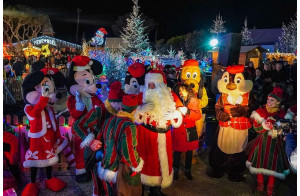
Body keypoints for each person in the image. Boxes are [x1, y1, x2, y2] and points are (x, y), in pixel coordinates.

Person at [134, 70, 184, 196]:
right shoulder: (142, 95)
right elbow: (130, 112)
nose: (150, 87)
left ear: (160, 85)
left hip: (165, 136)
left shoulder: (170, 95)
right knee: (147, 161)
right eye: (149, 84)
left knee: (160, 163)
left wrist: (175, 114)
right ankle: (142, 186)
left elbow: (180, 110)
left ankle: (155, 188)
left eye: (153, 84)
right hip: (146, 135)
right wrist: (140, 110)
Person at [97, 94, 144, 196]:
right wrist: (137, 165)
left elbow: (101, 139)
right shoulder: (129, 125)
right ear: (134, 110)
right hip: (118, 171)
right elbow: (128, 151)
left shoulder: (108, 120)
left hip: (105, 165)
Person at [246, 87, 289, 195]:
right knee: (260, 163)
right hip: (263, 142)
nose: (268, 102)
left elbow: (285, 128)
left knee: (273, 164)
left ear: (278, 102)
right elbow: (256, 128)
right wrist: (265, 125)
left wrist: (276, 126)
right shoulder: (260, 112)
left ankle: (271, 186)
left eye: (272, 100)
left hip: (275, 143)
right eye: (268, 99)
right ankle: (260, 183)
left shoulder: (282, 114)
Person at [172, 84, 201, 181]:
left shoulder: (193, 101)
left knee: (189, 152)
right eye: (179, 90)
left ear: (188, 90)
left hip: (190, 130)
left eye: (182, 90)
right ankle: (175, 171)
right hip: (179, 130)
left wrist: (187, 112)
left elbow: (198, 116)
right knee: (177, 152)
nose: (180, 92)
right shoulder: (174, 101)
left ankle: (188, 170)